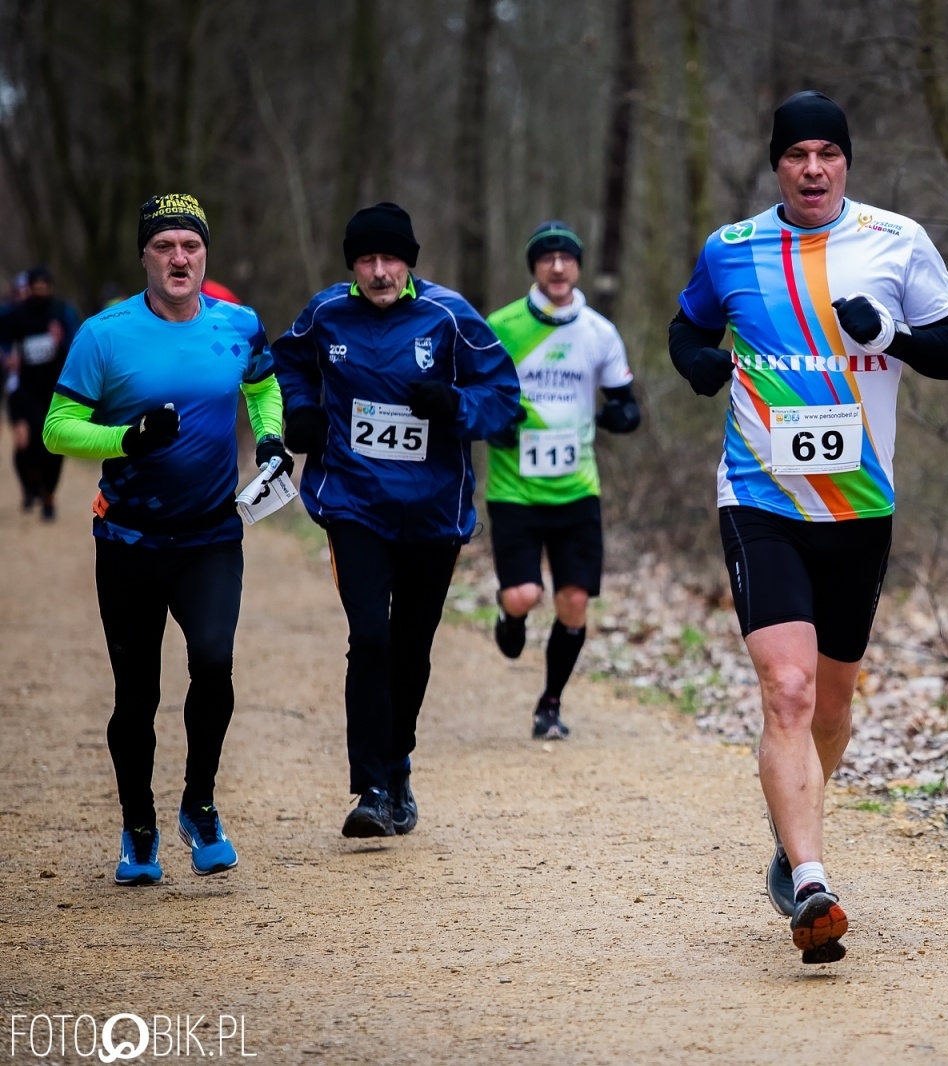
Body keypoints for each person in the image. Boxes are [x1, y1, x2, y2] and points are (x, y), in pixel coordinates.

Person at [669, 90, 948, 962]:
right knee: (789, 692)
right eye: (796, 154)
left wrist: (896, 336)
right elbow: (683, 329)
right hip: (760, 496)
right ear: (777, 165)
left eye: (827, 154)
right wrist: (699, 363)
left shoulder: (897, 242)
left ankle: (791, 826)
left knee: (832, 705)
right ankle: (811, 881)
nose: (812, 168)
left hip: (859, 508)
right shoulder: (732, 249)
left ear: (846, 163)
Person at [42, 194, 291, 885]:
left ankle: (199, 805)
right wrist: (127, 436)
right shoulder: (104, 334)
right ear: (145, 257)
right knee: (137, 694)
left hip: (212, 534)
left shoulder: (238, 325)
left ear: (204, 253)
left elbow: (264, 390)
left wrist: (270, 436)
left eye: (190, 245)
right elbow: (58, 427)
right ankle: (139, 826)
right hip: (128, 538)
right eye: (164, 246)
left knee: (213, 665)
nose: (179, 258)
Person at [273, 202, 520, 839]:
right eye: (367, 260)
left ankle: (398, 761)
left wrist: (456, 405)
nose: (380, 272)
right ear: (352, 264)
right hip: (352, 503)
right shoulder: (327, 313)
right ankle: (373, 786)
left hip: (433, 511)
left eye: (390, 259)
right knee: (371, 639)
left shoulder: (449, 317)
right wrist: (301, 412)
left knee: (410, 646)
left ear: (410, 261)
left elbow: (505, 400)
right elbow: (288, 364)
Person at [483, 221, 639, 739]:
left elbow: (623, 399)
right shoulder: (501, 326)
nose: (556, 266)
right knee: (525, 594)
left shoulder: (599, 332)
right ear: (533, 267)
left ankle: (550, 703)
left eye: (566, 258)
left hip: (577, 487)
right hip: (515, 488)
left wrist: (624, 415)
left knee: (574, 601)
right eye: (546, 257)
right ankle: (510, 617)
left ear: (577, 266)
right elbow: (472, 391)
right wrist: (491, 422)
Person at [1, 267, 78, 519]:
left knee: (55, 444)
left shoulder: (61, 312)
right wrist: (7, 356)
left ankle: (49, 496)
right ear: (30, 288)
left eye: (45, 287)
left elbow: (78, 343)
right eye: (36, 287)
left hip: (56, 388)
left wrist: (63, 339)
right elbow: (3, 338)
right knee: (32, 440)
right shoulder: (17, 315)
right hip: (27, 389)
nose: (41, 291)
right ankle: (32, 484)